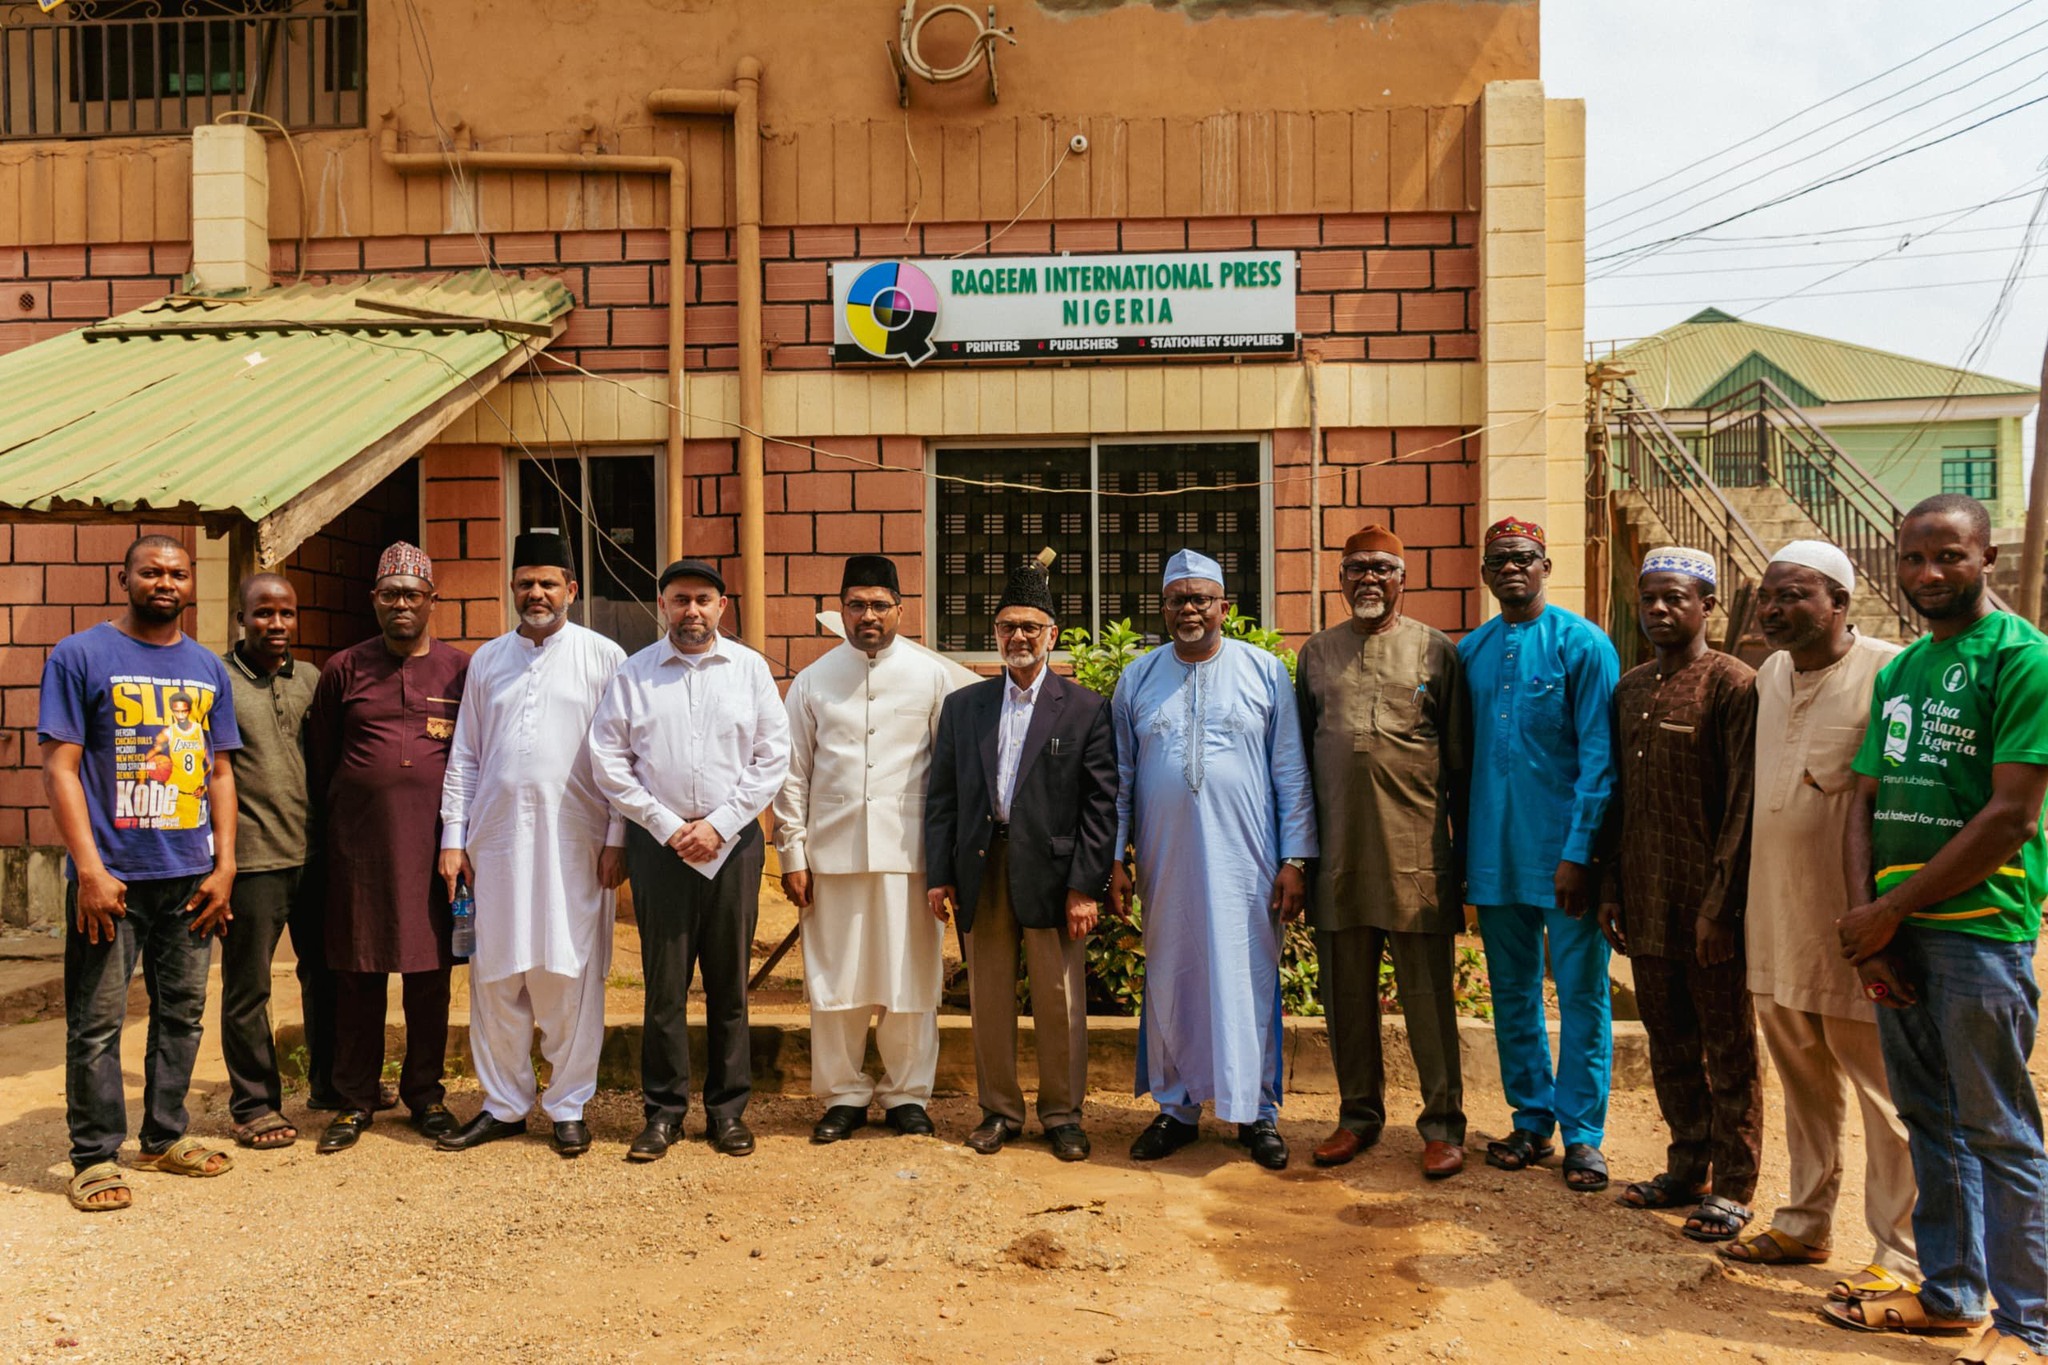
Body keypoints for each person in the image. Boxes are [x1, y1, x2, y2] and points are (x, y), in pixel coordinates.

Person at [1824, 495, 2048, 1365]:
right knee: (1927, 1114)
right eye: (1913, 558)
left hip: (1979, 936)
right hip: (1897, 931)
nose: (1927, 574)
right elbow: (1864, 800)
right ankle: (1950, 1294)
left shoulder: (2023, 659)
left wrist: (1891, 909)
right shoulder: (1904, 669)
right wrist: (1868, 924)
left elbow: (2010, 817)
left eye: (1948, 556)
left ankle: (2029, 1323)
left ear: (1986, 556)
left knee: (1997, 1127)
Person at [1717, 542, 1919, 1306]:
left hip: (1854, 929)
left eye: (1792, 594)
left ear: (1840, 602)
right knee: (1802, 1080)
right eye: (1766, 595)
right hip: (1776, 916)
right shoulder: (1769, 674)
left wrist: (1892, 920)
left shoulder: (1889, 670)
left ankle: (1898, 1255)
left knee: (1885, 1096)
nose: (1771, 608)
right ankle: (1805, 1218)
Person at [38, 534, 242, 1211]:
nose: (165, 582)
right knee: (96, 1021)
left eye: (177, 573)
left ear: (192, 584)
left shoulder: (208, 668)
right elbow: (60, 767)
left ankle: (162, 1136)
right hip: (113, 878)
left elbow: (218, 771)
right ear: (122, 576)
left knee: (182, 1014)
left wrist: (226, 864)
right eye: (151, 571)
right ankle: (94, 1155)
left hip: (190, 874)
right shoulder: (80, 655)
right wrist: (88, 868)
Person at [1111, 548, 1317, 1171]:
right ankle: (1177, 1109)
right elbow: (1119, 776)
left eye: (1202, 598)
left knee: (1247, 977)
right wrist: (1116, 858)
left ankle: (1257, 1112)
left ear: (1225, 607)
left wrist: (1296, 859)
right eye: (1178, 600)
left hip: (1246, 861)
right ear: (1165, 609)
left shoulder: (1263, 672)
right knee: (1172, 974)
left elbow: (1291, 769)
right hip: (1165, 860)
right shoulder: (1138, 678)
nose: (1190, 609)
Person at [435, 535, 627, 1159]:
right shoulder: (487, 660)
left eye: (548, 583)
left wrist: (618, 837)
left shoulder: (604, 657)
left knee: (567, 971)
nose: (536, 594)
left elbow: (623, 757)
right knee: (496, 974)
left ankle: (569, 1106)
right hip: (494, 843)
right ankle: (505, 1105)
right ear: (512, 590)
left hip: (577, 842)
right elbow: (464, 754)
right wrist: (452, 838)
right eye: (525, 584)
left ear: (571, 589)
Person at [590, 558, 789, 1161]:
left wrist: (721, 826)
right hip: (661, 848)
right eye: (680, 600)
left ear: (721, 607)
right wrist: (669, 826)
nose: (692, 611)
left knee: (729, 986)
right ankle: (664, 1113)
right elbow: (608, 758)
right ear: (663, 606)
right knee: (665, 988)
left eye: (703, 599)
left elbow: (772, 757)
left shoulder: (750, 669)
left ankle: (728, 1113)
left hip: (733, 848)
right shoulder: (636, 673)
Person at [926, 562, 1118, 1162]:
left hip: (1056, 875)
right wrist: (939, 875)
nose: (1019, 638)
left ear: (1052, 634)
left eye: (1031, 627)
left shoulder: (1085, 708)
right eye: (1008, 627)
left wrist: (1086, 885)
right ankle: (1000, 1111)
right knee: (988, 996)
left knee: (1059, 996)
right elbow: (943, 799)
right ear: (996, 634)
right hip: (984, 867)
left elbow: (1100, 804)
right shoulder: (965, 708)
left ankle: (1062, 1114)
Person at [1599, 548, 1763, 1242]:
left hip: (1708, 909)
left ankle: (1733, 1184)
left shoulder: (1733, 685)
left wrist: (1720, 909)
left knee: (1727, 1048)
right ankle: (1685, 1165)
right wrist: (1612, 886)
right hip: (1645, 895)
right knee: (1669, 1042)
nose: (1660, 610)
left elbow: (1742, 806)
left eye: (1676, 598)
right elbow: (1617, 795)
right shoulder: (1631, 687)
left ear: (1708, 606)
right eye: (1650, 599)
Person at [1296, 524, 1469, 1178]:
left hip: (1415, 854)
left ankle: (1443, 1123)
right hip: (1339, 853)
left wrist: (1464, 858)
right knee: (1345, 994)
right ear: (1340, 579)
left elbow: (1460, 763)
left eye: (1383, 569)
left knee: (1428, 994)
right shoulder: (1315, 655)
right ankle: (1358, 1116)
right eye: (1356, 569)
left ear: (1404, 576)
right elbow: (1301, 761)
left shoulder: (1436, 652)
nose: (1369, 579)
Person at [775, 555, 960, 1143]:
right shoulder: (814, 680)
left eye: (881, 605)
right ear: (841, 610)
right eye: (857, 604)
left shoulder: (935, 678)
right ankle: (843, 1093)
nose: (869, 616)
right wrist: (792, 855)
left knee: (911, 981)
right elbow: (791, 775)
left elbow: (950, 777)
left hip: (911, 859)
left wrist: (947, 862)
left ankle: (908, 1095)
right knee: (836, 982)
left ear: (901, 610)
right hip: (832, 857)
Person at [1458, 517, 1619, 1194]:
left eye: (1523, 558)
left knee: (1582, 994)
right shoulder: (1470, 651)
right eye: (1499, 561)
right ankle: (1531, 1119)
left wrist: (1581, 853)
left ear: (1546, 565)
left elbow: (1601, 758)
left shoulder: (1583, 644)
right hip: (1493, 855)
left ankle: (1583, 1134)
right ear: (1487, 574)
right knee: (1513, 994)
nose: (1512, 569)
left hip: (1565, 859)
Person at [304, 542, 468, 1154]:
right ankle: (354, 1098)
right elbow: (322, 759)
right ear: (374, 600)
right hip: (359, 853)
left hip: (436, 851)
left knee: (431, 976)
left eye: (413, 594)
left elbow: (472, 758)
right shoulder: (343, 668)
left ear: (432, 602)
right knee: (358, 974)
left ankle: (425, 1095)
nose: (402, 604)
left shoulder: (460, 670)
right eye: (391, 594)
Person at [215, 572, 319, 1151]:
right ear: (241, 618)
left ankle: (328, 1084)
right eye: (262, 614)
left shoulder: (310, 678)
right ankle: (254, 1104)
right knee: (248, 987)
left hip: (314, 854)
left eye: (285, 614)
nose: (275, 625)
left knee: (324, 974)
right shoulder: (219, 680)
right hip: (252, 860)